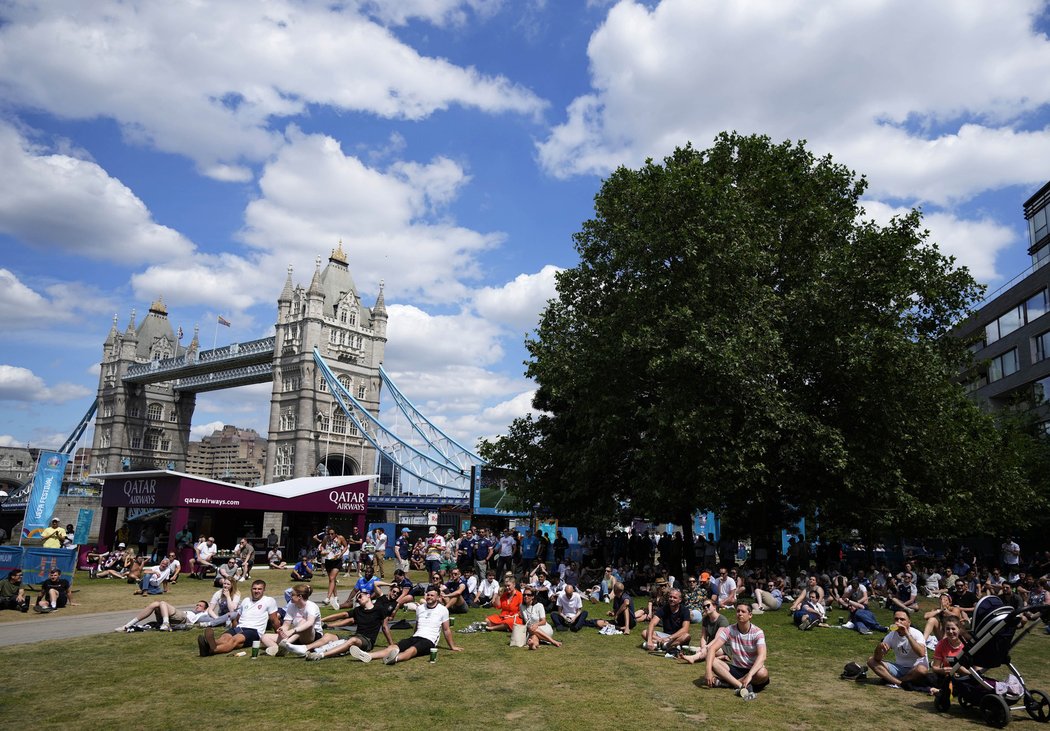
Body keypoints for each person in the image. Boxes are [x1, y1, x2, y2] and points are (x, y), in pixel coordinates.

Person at [348, 588, 462, 664]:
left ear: (437, 597)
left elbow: (446, 630)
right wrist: (413, 637)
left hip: (429, 640)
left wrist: (452, 646)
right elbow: (417, 626)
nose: (429, 597)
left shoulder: (443, 610)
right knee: (393, 647)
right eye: (428, 595)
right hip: (416, 637)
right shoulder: (420, 609)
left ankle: (394, 659)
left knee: (411, 651)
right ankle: (368, 656)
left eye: (432, 595)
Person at [293, 591, 396, 660]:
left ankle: (321, 655)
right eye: (357, 599)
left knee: (352, 641)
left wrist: (391, 644)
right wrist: (321, 620)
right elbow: (342, 615)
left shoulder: (379, 609)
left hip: (367, 640)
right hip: (355, 635)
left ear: (368, 595)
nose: (359, 599)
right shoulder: (358, 610)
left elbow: (385, 627)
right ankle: (305, 649)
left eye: (360, 596)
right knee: (328, 636)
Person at [704, 601, 769, 700]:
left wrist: (750, 675)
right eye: (738, 611)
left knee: (763, 673)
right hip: (736, 668)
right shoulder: (730, 629)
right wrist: (708, 671)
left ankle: (727, 683)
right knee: (712, 661)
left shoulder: (757, 632)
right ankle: (739, 685)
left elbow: (762, 656)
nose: (740, 613)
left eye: (743, 611)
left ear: (750, 615)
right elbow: (712, 648)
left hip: (753, 670)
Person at [198, 579, 280, 657]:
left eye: (259, 589)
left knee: (234, 640)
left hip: (254, 631)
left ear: (264, 590)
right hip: (239, 627)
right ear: (251, 589)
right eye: (254, 589)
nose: (256, 591)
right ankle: (212, 642)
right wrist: (233, 630)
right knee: (225, 638)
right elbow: (237, 618)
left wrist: (278, 635)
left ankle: (211, 650)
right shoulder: (246, 600)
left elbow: (274, 620)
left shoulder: (269, 600)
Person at [865, 609, 929, 689]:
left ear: (909, 622)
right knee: (871, 661)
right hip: (899, 668)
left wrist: (907, 634)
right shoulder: (891, 635)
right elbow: (877, 659)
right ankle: (899, 683)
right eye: (896, 619)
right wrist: (879, 648)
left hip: (914, 669)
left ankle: (892, 681)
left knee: (922, 669)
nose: (899, 621)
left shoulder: (917, 634)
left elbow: (921, 653)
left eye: (902, 619)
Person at [263, 584, 321, 655]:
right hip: (295, 636)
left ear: (299, 596)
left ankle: (286, 644)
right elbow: (286, 624)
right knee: (264, 637)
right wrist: (282, 630)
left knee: (303, 621)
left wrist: (293, 631)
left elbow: (310, 623)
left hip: (312, 636)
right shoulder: (291, 606)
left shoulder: (311, 606)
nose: (290, 597)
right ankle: (279, 649)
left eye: (292, 595)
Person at [679, 598, 730, 664]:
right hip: (710, 644)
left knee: (708, 650)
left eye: (708, 605)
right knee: (696, 649)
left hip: (723, 646)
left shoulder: (722, 620)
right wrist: (703, 647)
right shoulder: (705, 619)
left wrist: (706, 648)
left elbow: (717, 639)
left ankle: (693, 658)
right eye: (704, 607)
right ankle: (719, 657)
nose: (705, 608)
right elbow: (703, 637)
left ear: (714, 607)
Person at [116, 599, 212, 631]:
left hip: (183, 618)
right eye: (197, 605)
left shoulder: (203, 614)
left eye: (200, 606)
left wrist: (209, 611)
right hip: (174, 617)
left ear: (204, 608)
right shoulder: (191, 610)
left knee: (162, 602)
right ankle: (127, 625)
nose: (197, 606)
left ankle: (166, 624)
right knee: (155, 604)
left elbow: (211, 618)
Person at [928, 616, 966, 697]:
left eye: (953, 629)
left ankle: (941, 690)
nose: (950, 631)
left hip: (962, 676)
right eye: (948, 629)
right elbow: (935, 667)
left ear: (959, 629)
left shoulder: (966, 644)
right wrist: (942, 670)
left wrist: (959, 671)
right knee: (928, 677)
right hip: (946, 676)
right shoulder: (941, 644)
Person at [314, 527, 346, 609]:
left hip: (337, 560)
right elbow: (322, 546)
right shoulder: (326, 538)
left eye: (332, 533)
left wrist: (341, 554)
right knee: (332, 579)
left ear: (336, 533)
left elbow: (346, 546)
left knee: (332, 578)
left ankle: (328, 598)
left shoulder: (340, 538)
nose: (330, 535)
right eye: (329, 533)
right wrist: (322, 552)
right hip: (329, 559)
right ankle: (335, 596)